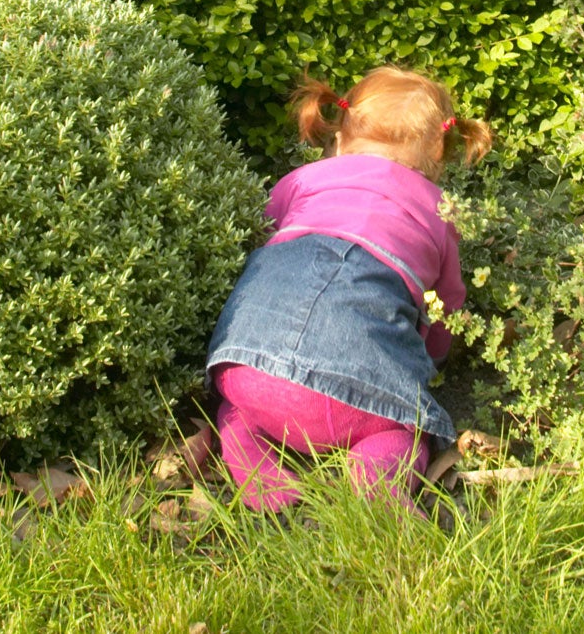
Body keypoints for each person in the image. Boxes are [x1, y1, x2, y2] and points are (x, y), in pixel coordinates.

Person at [205, 66, 494, 511]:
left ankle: (251, 460)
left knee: (236, 410)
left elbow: (259, 231)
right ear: (437, 163)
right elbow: (448, 307)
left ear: (338, 140)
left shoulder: (300, 182)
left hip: (247, 367)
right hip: (355, 396)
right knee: (401, 429)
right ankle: (376, 480)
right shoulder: (440, 212)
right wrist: (432, 360)